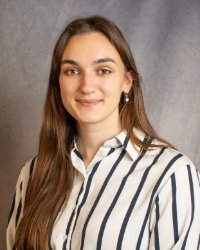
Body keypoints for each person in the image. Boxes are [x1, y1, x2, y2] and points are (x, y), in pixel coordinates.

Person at [7, 15, 200, 250]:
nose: (87, 85)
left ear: (127, 81)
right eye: (72, 71)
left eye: (103, 70)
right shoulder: (32, 174)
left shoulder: (171, 174)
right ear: (58, 83)